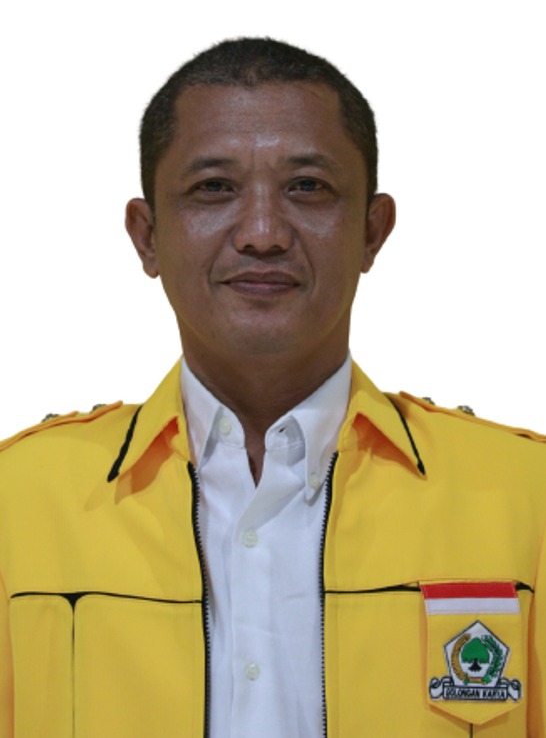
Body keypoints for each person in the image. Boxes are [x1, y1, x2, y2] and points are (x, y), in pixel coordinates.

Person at [0, 38, 545, 738]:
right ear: (147, 236)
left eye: (307, 187)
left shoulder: (525, 501)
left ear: (373, 231)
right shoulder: (17, 508)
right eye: (213, 188)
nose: (262, 233)